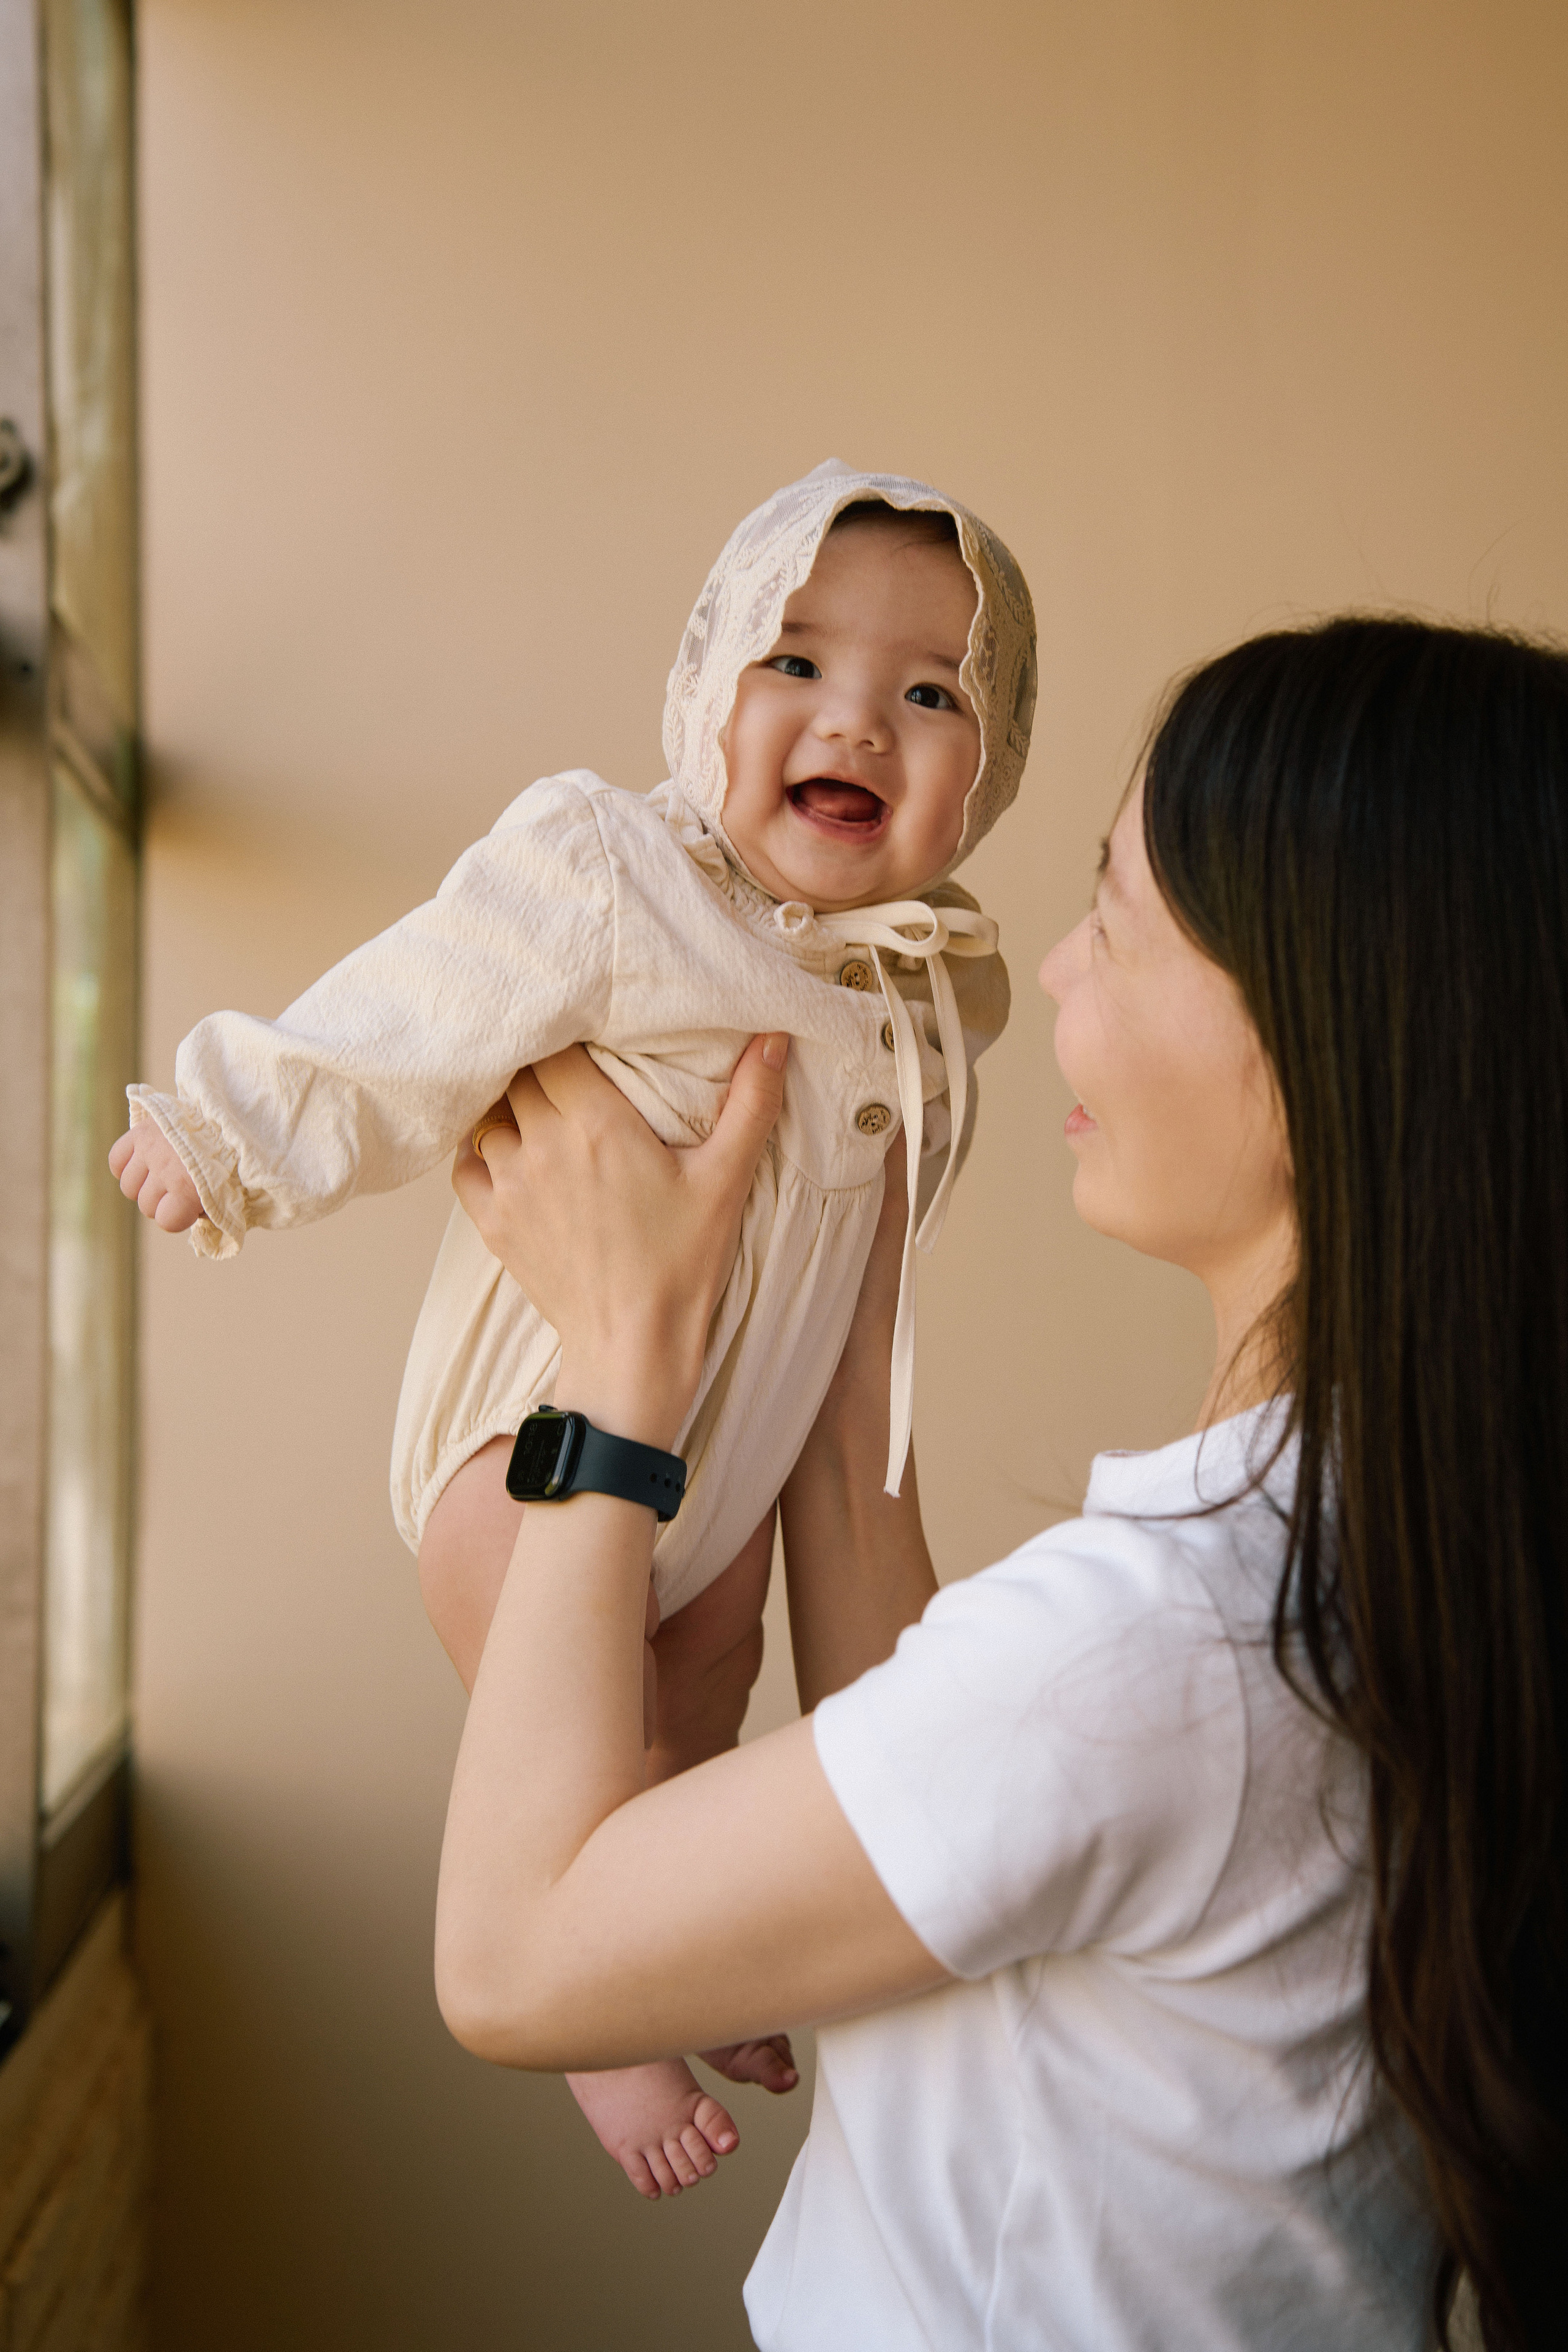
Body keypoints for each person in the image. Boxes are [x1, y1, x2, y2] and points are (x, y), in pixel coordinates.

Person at [432, 616, 1568, 2350]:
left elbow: (516, 1962)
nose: (1053, 974)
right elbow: (965, 1787)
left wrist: (619, 1365)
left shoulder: (1171, 1645)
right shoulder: (1392, 1553)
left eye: (1116, 920)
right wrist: (830, 1305)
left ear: (1324, 1028)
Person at [105, 461, 1038, 2190]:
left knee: (702, 1711)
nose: (860, 723)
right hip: (524, 1441)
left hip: (726, 1476)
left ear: (996, 765)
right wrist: (230, 1129)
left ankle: (690, 1934)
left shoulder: (922, 984)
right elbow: (419, 1011)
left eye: (933, 695)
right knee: (578, 1714)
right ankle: (607, 2028)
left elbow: (857, 1335)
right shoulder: (616, 871)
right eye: (797, 663)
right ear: (703, 686)